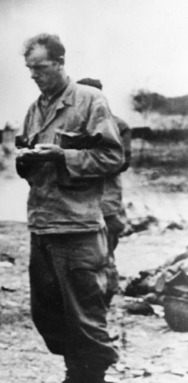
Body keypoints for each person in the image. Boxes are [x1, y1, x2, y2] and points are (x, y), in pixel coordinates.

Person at [16, 34, 124, 383]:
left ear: (60, 63)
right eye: (29, 69)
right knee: (48, 312)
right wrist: (27, 160)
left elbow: (112, 156)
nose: (34, 76)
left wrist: (63, 155)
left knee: (84, 312)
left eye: (40, 68)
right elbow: (30, 163)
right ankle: (74, 380)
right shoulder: (35, 109)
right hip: (43, 223)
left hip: (77, 225)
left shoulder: (89, 102)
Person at [76, 78, 132, 306]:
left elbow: (123, 161)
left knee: (105, 251)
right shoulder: (72, 126)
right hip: (78, 202)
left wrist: (87, 159)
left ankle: (104, 297)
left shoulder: (118, 126)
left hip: (105, 199)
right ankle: (86, 299)